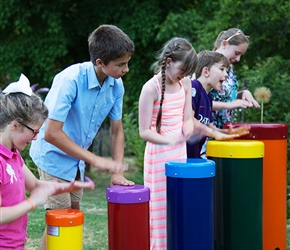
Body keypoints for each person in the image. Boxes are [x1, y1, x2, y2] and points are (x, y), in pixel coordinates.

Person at [29, 24, 135, 249]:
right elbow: (51, 133)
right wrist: (94, 159)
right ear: (100, 63)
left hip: (75, 160)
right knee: (61, 218)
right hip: (52, 156)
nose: (126, 69)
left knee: (73, 215)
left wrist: (116, 171)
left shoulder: (116, 86)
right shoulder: (69, 80)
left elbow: (116, 130)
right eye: (121, 64)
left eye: (127, 62)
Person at [0, 74, 95, 250]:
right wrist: (31, 203)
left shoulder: (13, 155)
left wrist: (63, 187)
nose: (36, 138)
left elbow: (35, 184)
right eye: (34, 132)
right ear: (14, 125)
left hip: (15, 245)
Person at [138, 37, 198, 250]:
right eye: (182, 69)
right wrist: (169, 139)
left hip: (179, 153)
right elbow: (144, 131)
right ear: (169, 61)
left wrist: (188, 126)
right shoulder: (150, 88)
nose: (184, 75)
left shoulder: (186, 83)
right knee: (159, 212)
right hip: (158, 157)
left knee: (178, 206)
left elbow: (187, 116)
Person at [187, 51, 250, 158]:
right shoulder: (194, 87)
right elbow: (190, 120)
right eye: (222, 69)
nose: (226, 74)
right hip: (181, 157)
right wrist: (214, 133)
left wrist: (227, 133)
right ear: (206, 71)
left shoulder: (208, 98)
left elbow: (211, 128)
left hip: (194, 157)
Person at [210, 28, 260, 129]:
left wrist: (241, 94)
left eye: (241, 55)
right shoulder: (207, 66)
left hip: (225, 132)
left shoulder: (229, 68)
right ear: (224, 44)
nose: (238, 59)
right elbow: (198, 103)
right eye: (237, 53)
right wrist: (230, 105)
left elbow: (222, 97)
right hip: (206, 134)